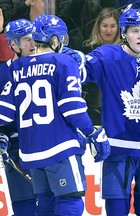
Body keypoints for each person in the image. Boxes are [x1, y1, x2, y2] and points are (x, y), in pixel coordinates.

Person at [0, 14, 110, 215]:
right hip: (60, 147)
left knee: (45, 204)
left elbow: (4, 113)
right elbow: (72, 107)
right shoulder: (63, 61)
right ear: (54, 40)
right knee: (71, 200)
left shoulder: (16, 67)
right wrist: (92, 133)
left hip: (31, 152)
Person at [83, 8, 140, 216]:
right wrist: (71, 60)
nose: (139, 36)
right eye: (134, 31)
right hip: (118, 147)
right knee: (116, 209)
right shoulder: (106, 56)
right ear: (124, 33)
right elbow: (80, 72)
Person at [0, 18, 36, 216]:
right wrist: (2, 135)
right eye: (26, 40)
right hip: (16, 148)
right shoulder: (2, 73)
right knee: (25, 209)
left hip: (44, 143)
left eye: (33, 39)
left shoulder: (47, 65)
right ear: (13, 44)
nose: (32, 44)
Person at [82, 7, 122, 126]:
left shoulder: (125, 50)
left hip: (118, 108)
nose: (108, 30)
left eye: (112, 26)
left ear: (119, 27)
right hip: (92, 109)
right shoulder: (87, 48)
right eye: (105, 25)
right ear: (98, 26)